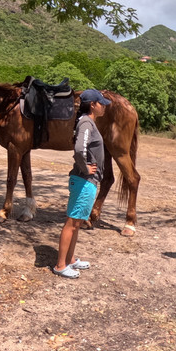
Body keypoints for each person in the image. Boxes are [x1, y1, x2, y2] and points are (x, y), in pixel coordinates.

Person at [52, 88, 111, 279]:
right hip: (84, 180)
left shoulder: (88, 122)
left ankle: (70, 259)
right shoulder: (86, 122)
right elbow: (79, 149)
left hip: (87, 181)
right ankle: (60, 265)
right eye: (101, 103)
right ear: (93, 105)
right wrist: (86, 168)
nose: (104, 106)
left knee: (76, 223)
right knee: (72, 222)